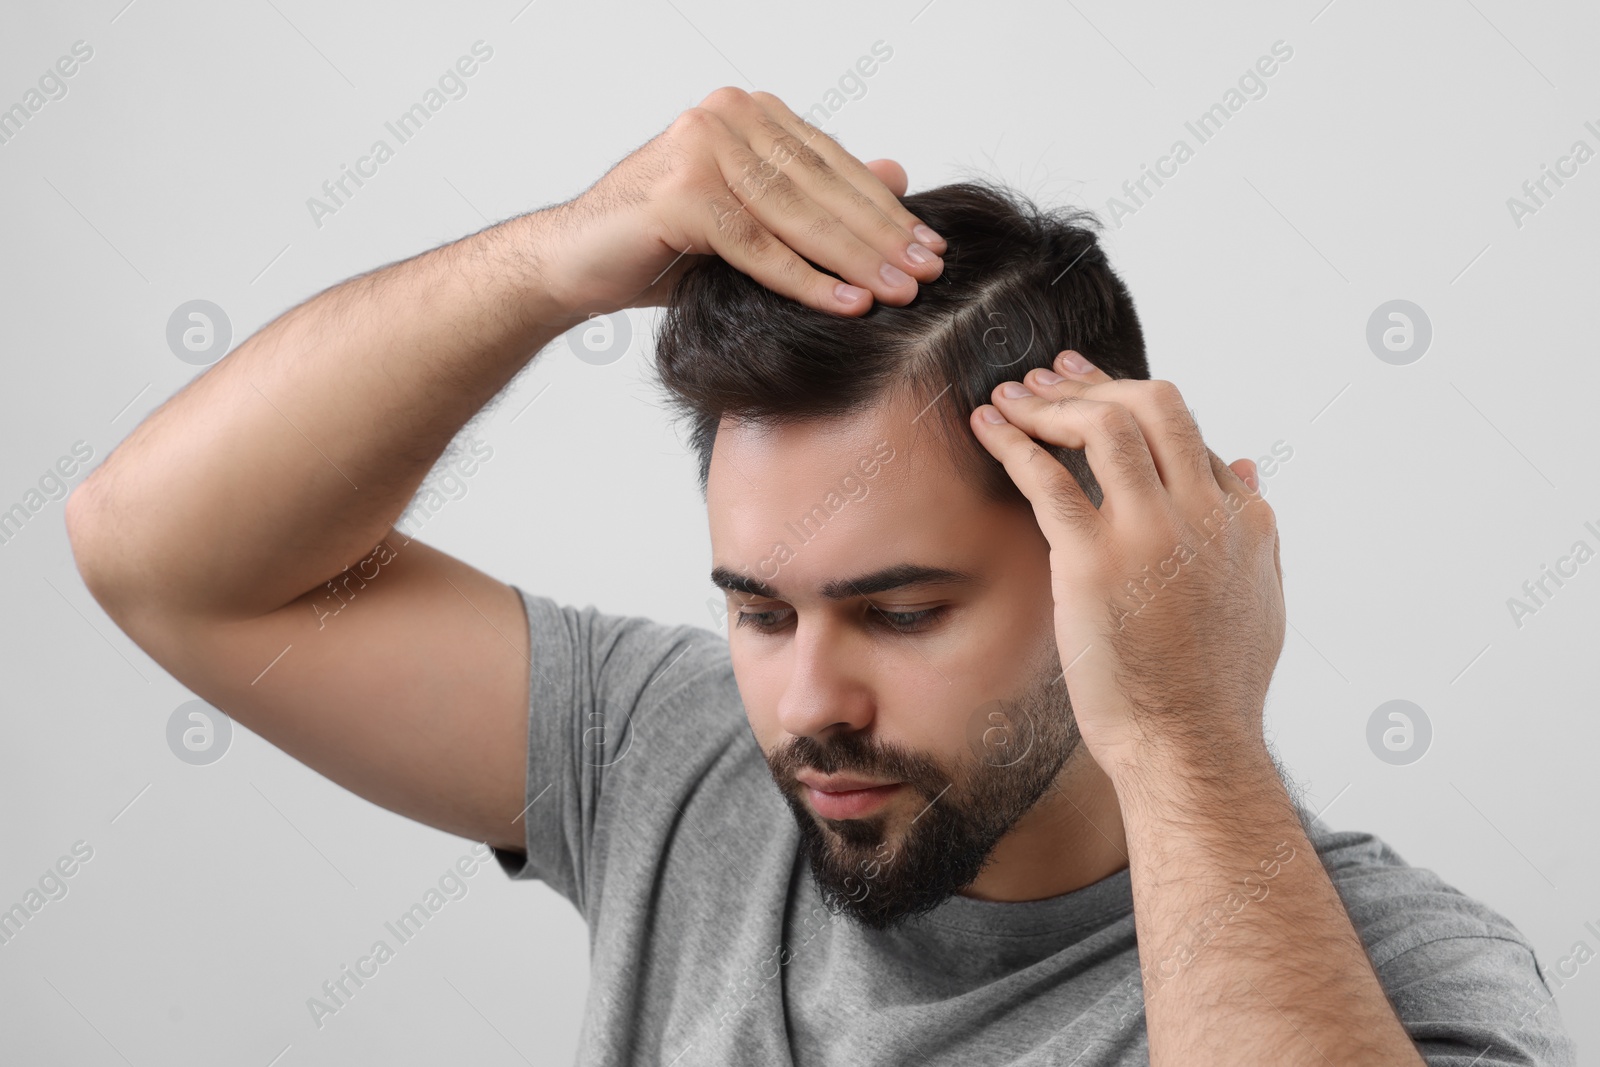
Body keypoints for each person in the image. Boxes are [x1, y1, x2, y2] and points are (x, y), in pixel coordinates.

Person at [66, 86, 1576, 1065]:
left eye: (904, 611)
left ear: (1108, 563)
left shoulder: (1402, 978)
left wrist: (1189, 731)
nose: (806, 705)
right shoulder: (681, 760)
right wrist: (555, 261)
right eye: (757, 608)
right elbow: (168, 560)